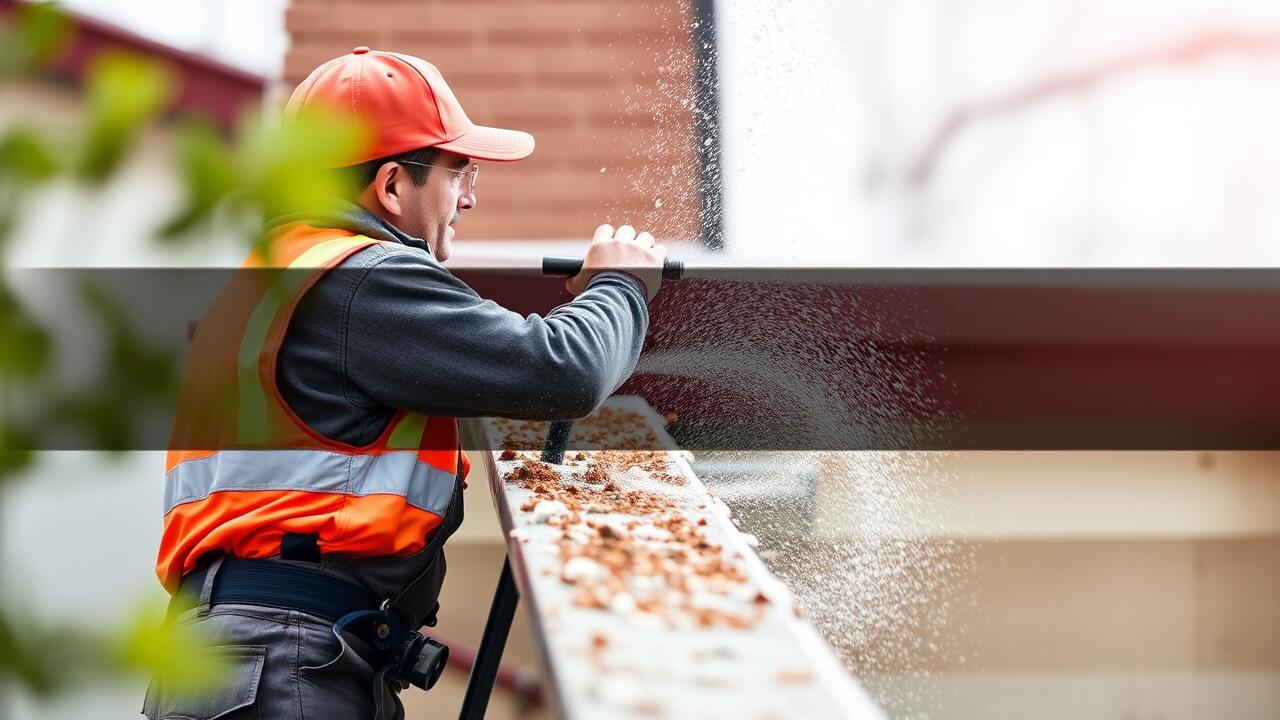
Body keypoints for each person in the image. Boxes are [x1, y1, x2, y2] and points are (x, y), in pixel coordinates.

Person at [146, 46, 666, 720]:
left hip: (236, 658)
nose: (470, 197)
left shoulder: (271, 279)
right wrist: (620, 286)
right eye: (459, 173)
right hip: (288, 662)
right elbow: (563, 370)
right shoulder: (361, 281)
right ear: (392, 185)